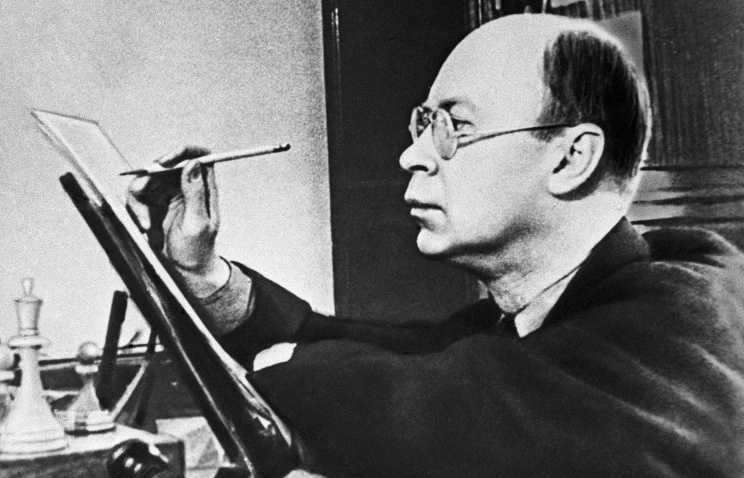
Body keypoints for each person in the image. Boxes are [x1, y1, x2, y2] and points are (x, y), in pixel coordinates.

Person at [128, 13, 744, 477]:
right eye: (423, 124)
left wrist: (283, 368)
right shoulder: (565, 306)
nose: (411, 156)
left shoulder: (680, 320)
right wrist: (204, 276)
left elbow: (430, 399)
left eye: (454, 126)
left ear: (569, 158)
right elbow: (405, 350)